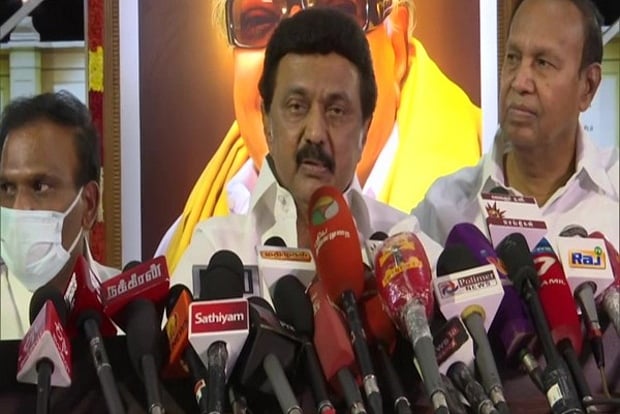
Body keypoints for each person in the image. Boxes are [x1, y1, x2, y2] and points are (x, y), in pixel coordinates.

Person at [161, 0, 479, 271]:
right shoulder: (194, 246)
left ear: (397, 47)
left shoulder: (443, 237)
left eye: (336, 11)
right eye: (259, 21)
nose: (314, 133)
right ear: (267, 114)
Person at [413, 0, 619, 252]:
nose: (519, 82)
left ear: (588, 86)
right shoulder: (442, 209)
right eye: (512, 58)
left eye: (543, 63)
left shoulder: (613, 196)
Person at [0, 91, 118, 340]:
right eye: (7, 188)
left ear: (89, 205)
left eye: (40, 186)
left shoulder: (129, 313)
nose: (20, 207)